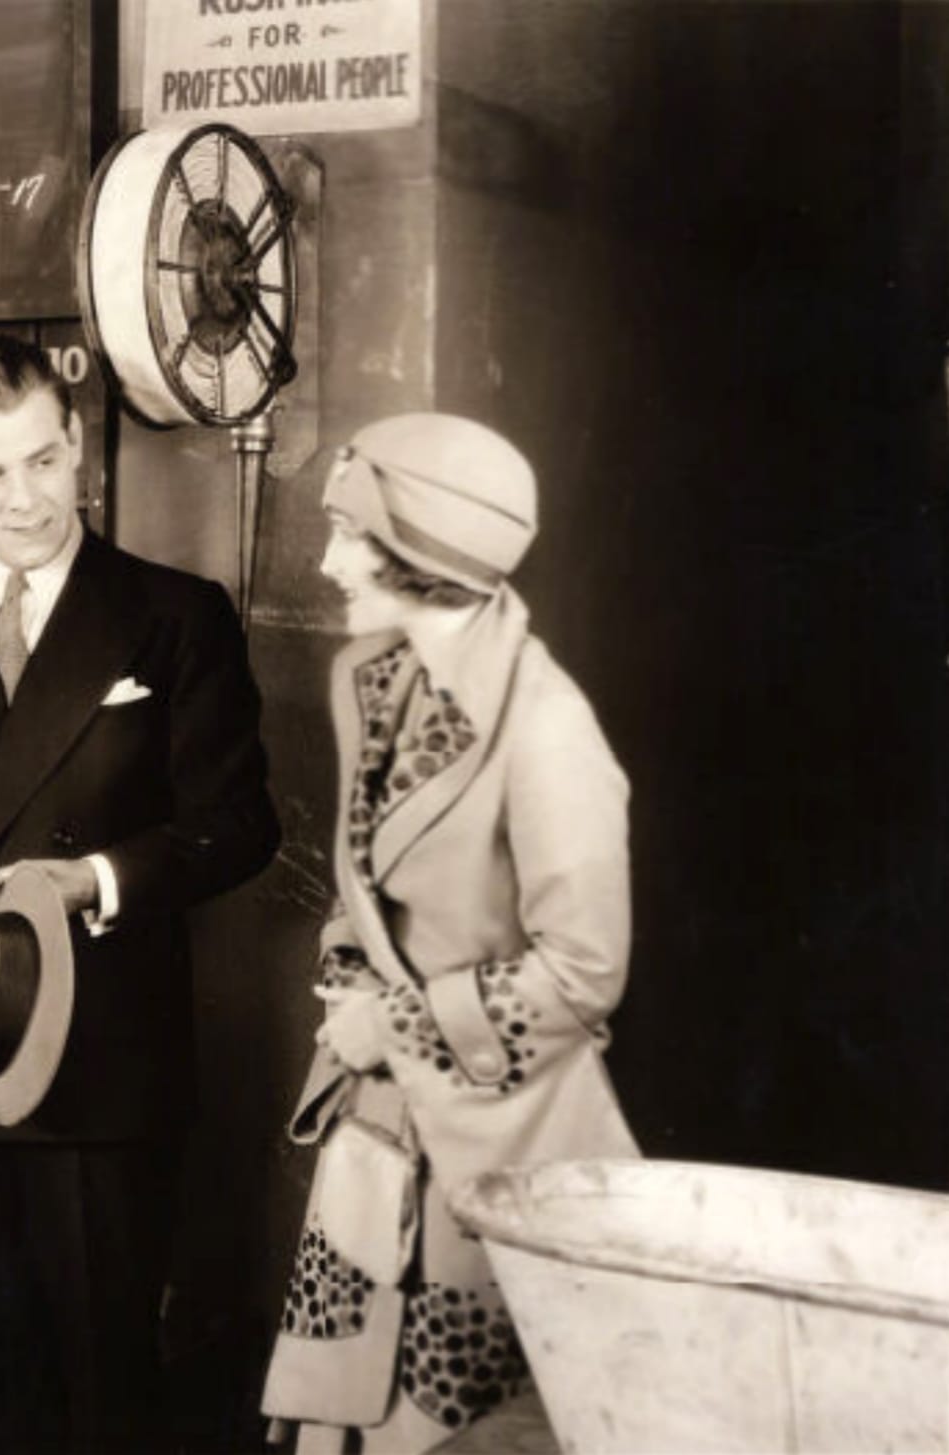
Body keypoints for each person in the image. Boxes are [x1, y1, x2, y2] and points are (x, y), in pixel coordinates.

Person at [0, 334, 280, 1453]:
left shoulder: (175, 615)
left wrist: (96, 879)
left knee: (104, 1391)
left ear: (76, 444)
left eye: (39, 461)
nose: (21, 500)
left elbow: (239, 827)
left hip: (107, 1063)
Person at [260, 414, 639, 1454]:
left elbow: (584, 972)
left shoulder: (550, 726)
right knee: (348, 1418)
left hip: (503, 1150)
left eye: (350, 536)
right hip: (382, 1133)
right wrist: (349, 988)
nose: (329, 561)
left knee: (459, 1436)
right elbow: (368, 886)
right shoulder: (378, 679)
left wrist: (401, 1032)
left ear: (422, 555)